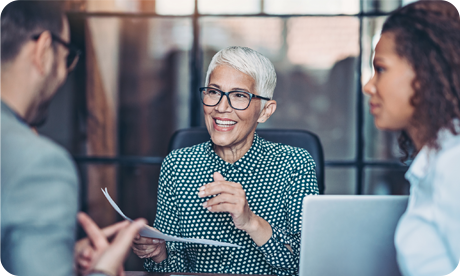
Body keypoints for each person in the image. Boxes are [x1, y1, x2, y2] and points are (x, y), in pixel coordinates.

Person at [132, 46, 319, 276]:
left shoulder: (294, 165)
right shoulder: (178, 165)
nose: (221, 107)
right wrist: (158, 253)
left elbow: (307, 264)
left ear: (265, 111)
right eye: (213, 92)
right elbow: (173, 270)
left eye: (239, 95)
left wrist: (251, 222)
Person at [0, 1, 144, 275]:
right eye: (67, 57)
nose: (65, 74)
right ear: (43, 50)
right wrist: (103, 272)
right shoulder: (39, 164)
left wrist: (55, 251)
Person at [363, 1, 460, 275]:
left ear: (425, 73)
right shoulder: (433, 160)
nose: (368, 86)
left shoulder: (453, 165)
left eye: (380, 69)